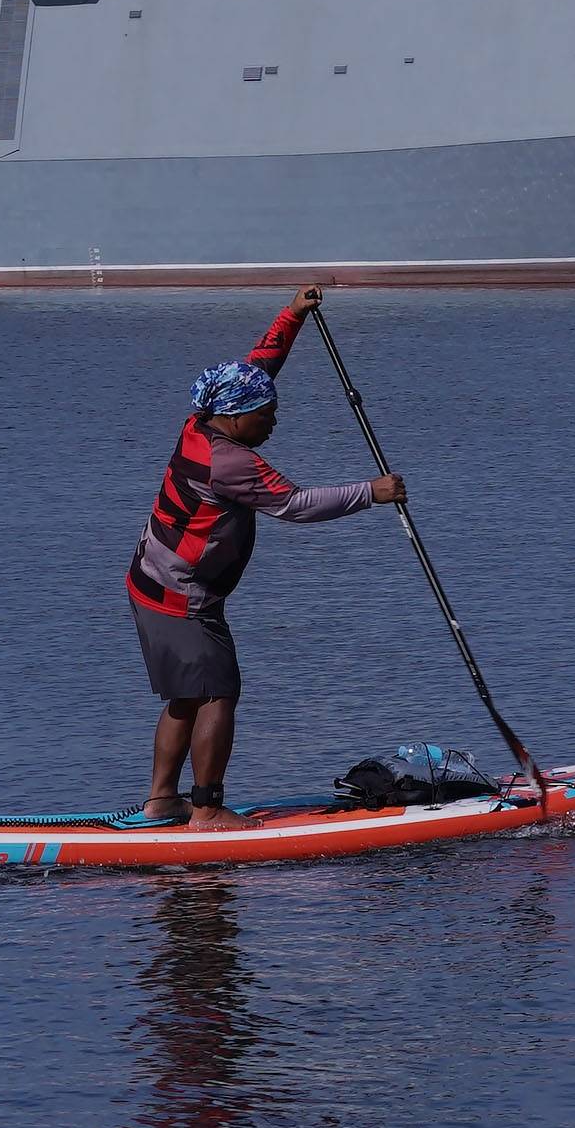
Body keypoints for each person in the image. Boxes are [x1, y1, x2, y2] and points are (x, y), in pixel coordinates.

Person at [127, 285, 403, 830]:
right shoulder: (230, 464)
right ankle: (205, 811)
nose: (274, 421)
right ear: (235, 418)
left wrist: (292, 315)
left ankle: (162, 802)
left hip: (149, 583)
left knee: (187, 695)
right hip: (183, 597)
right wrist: (374, 492)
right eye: (266, 414)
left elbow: (259, 365)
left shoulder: (201, 421)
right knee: (217, 693)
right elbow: (296, 505)